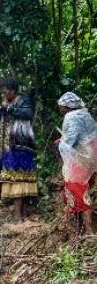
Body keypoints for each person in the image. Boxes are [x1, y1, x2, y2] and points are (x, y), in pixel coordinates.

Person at [0, 78, 37, 220]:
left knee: (22, 178)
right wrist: (1, 111)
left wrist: (9, 109)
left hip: (21, 145)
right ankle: (19, 215)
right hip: (8, 147)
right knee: (13, 178)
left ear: (13, 91)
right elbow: (2, 119)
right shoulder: (6, 102)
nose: (3, 95)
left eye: (5, 92)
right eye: (2, 93)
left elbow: (28, 114)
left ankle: (20, 215)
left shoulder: (23, 100)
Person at [56, 92, 97, 234]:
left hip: (77, 163)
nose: (60, 110)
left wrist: (59, 145)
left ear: (66, 107)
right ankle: (83, 230)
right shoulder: (85, 115)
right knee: (83, 193)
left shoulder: (70, 117)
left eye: (60, 107)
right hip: (89, 162)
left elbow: (69, 142)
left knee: (77, 194)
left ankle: (88, 231)